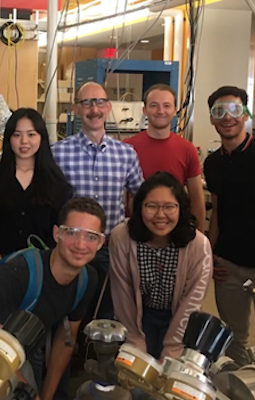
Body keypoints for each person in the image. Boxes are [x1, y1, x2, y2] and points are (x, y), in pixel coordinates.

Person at [0, 197, 103, 400]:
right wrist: (28, 392)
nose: (81, 244)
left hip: (29, 344)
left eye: (91, 237)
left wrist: (45, 396)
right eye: (72, 233)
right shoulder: (19, 272)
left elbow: (65, 340)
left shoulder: (88, 279)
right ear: (57, 234)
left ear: (101, 242)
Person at [51, 82, 144, 319]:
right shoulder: (58, 152)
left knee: (106, 311)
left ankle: (96, 354)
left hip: (110, 248)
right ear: (76, 109)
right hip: (72, 247)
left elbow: (142, 198)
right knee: (68, 309)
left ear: (108, 107)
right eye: (87, 103)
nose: (94, 109)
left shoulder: (126, 153)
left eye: (100, 102)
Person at [109, 172, 213, 360]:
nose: (160, 215)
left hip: (179, 318)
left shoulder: (198, 245)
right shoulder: (122, 237)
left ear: (181, 208)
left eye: (169, 207)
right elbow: (122, 293)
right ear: (139, 207)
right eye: (151, 206)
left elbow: (192, 301)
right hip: (138, 316)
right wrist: (135, 340)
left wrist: (172, 347)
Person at [203, 85, 255, 367]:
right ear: (212, 118)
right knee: (236, 339)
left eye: (235, 109)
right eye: (218, 111)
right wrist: (211, 255)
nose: (227, 117)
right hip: (231, 268)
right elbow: (218, 212)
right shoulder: (212, 163)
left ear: (246, 114)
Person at [0, 108, 73, 259]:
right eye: (17, 135)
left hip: (42, 266)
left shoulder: (56, 180)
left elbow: (60, 228)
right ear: (8, 138)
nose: (24, 141)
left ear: (41, 138)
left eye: (31, 134)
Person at [124, 84, 206, 232]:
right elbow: (122, 197)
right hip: (136, 232)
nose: (160, 111)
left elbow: (197, 199)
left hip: (175, 231)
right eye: (154, 105)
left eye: (166, 106)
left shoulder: (187, 149)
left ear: (175, 111)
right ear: (145, 110)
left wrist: (198, 237)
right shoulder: (127, 148)